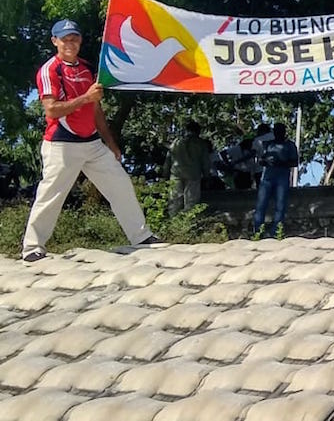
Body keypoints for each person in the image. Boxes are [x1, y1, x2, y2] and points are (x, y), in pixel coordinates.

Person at [22, 19, 158, 262]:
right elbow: (51, 110)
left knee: (120, 184)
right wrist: (85, 98)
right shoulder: (49, 70)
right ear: (55, 41)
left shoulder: (87, 68)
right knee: (51, 195)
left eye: (74, 38)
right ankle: (32, 247)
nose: (70, 43)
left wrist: (111, 143)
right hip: (61, 144)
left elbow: (96, 110)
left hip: (92, 143)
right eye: (65, 39)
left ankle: (141, 236)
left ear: (80, 40)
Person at [253, 123, 299, 237]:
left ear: (284, 132)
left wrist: (281, 162)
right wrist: (266, 161)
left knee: (280, 205)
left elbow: (295, 162)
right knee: (261, 204)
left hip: (282, 177)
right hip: (267, 177)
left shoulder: (290, 145)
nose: (278, 133)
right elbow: (260, 160)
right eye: (276, 131)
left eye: (280, 131)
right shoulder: (267, 145)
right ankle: (257, 231)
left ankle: (277, 232)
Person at [162, 120, 211, 214]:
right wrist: (207, 177)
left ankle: (173, 222)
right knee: (191, 201)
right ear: (198, 131)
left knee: (174, 200)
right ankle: (188, 223)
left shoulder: (176, 142)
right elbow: (205, 162)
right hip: (193, 174)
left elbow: (168, 159)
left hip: (176, 173)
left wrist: (165, 174)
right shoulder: (201, 144)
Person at [251, 123, 273, 187]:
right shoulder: (275, 137)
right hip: (276, 167)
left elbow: (252, 153)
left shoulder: (257, 140)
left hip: (260, 169)